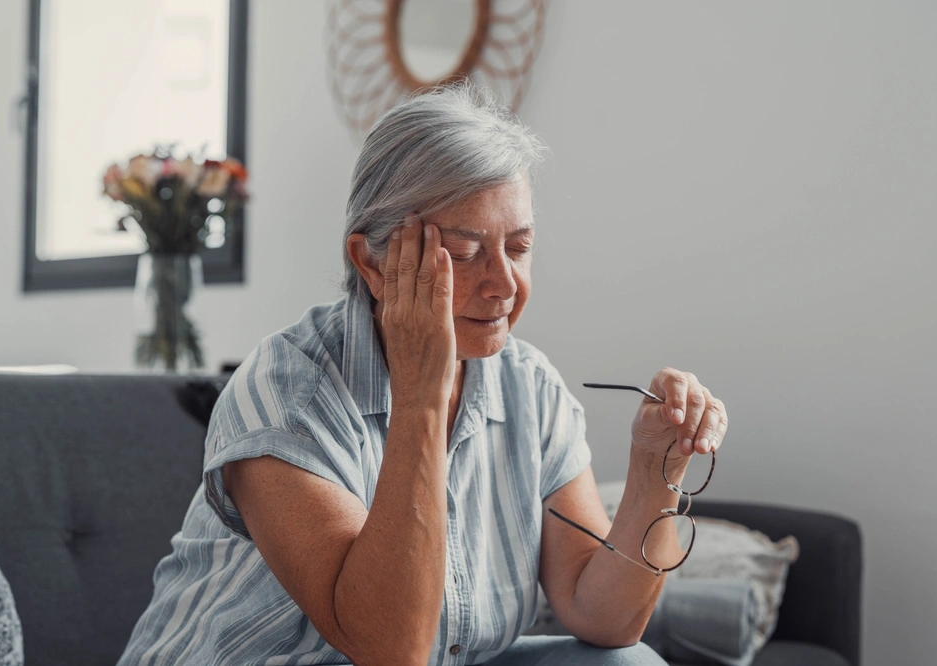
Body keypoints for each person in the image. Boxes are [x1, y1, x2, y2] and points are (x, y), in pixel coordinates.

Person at [117, 83, 728, 666]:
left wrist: (659, 468)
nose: (505, 284)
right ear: (372, 262)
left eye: (518, 248)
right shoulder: (286, 392)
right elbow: (389, 652)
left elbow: (604, 616)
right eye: (463, 255)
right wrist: (421, 400)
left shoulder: (531, 389)